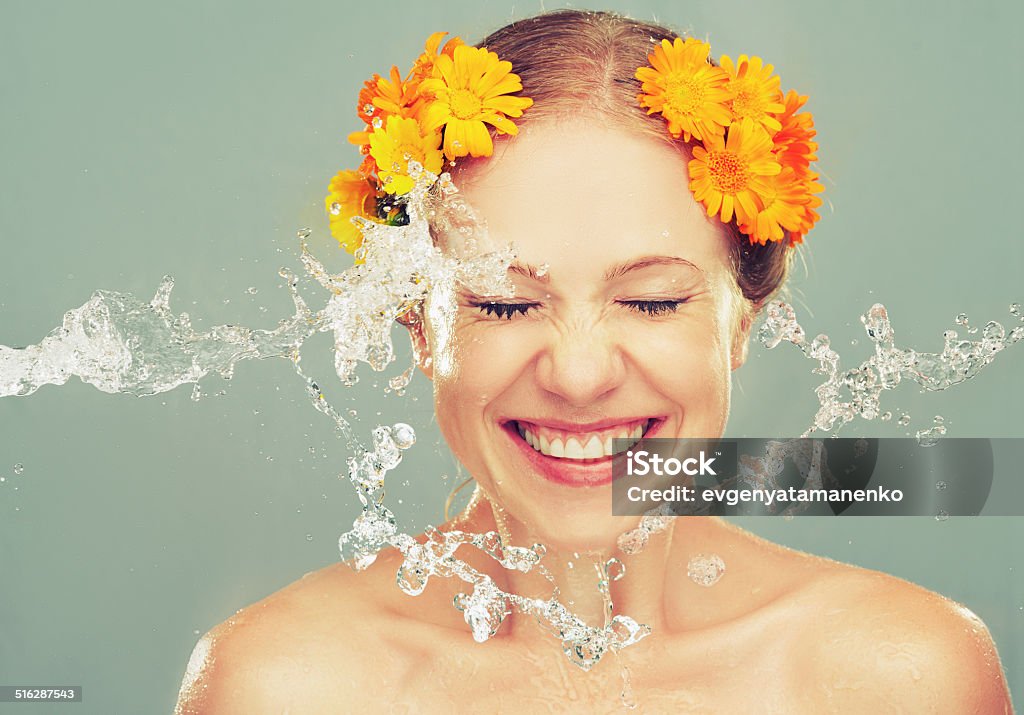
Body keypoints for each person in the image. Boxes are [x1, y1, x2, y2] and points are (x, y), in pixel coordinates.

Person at [174, 10, 1013, 713]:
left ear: (742, 320)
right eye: (503, 303)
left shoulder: (902, 678)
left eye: (651, 301)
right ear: (417, 320)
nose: (577, 377)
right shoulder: (286, 686)